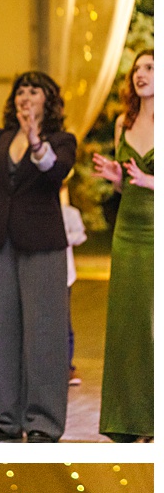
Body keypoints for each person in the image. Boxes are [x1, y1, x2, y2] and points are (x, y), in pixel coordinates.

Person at [0, 73, 78, 441]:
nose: (25, 96)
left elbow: (55, 170)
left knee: (44, 333)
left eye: (33, 91)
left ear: (47, 101)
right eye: (20, 91)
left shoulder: (61, 140)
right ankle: (3, 420)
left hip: (41, 243)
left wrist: (36, 140)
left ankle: (42, 423)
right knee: (0, 332)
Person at [94, 49, 153, 440]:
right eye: (136, 69)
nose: (140, 74)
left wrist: (153, 183)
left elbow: (147, 181)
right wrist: (116, 176)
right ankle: (130, 420)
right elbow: (123, 185)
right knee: (128, 326)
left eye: (149, 68)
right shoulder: (123, 123)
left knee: (154, 327)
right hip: (128, 232)